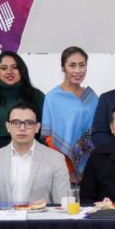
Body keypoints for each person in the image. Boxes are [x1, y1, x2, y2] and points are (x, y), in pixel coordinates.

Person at [0, 102, 71, 204]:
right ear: (8, 126)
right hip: (4, 215)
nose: (22, 128)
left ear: (37, 127)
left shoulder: (56, 159)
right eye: (16, 122)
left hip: (41, 215)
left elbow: (63, 205)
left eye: (29, 123)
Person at [41, 46, 98, 184]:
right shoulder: (53, 97)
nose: (77, 70)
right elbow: (50, 138)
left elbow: (98, 131)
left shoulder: (91, 97)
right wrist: (69, 169)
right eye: (72, 65)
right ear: (63, 68)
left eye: (82, 65)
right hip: (63, 169)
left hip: (93, 165)